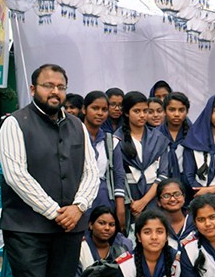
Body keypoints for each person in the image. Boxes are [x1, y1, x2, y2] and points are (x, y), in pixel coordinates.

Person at [0, 63, 100, 277]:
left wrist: (80, 206)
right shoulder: (15, 124)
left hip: (69, 227)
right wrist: (55, 211)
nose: (54, 91)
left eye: (60, 86)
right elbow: (16, 175)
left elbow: (91, 172)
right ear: (33, 89)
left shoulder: (77, 127)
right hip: (28, 229)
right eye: (47, 86)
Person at [117, 91, 170, 232]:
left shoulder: (159, 138)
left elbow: (163, 174)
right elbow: (117, 176)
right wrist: (133, 203)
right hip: (128, 200)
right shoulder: (116, 139)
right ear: (127, 113)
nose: (142, 115)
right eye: (137, 111)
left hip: (153, 197)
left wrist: (144, 201)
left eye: (145, 111)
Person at [82, 90, 126, 224]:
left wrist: (120, 207)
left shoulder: (111, 141)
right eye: (95, 108)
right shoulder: (73, 137)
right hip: (79, 196)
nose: (100, 113)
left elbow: (119, 175)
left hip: (104, 195)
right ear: (84, 109)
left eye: (104, 109)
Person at [159, 91, 191, 189]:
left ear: (187, 112)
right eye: (172, 110)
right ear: (164, 111)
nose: (177, 114)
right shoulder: (156, 136)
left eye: (181, 110)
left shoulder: (193, 135)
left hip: (188, 184)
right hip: (162, 183)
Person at [156, 178, 194, 248]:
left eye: (177, 194)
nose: (172, 199)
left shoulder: (195, 221)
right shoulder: (155, 225)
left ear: (184, 197)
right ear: (159, 201)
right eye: (166, 196)